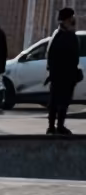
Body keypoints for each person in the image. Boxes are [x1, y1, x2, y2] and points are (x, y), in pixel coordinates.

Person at [47, 7, 81, 136]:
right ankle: (52, 126)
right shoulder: (61, 36)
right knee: (56, 101)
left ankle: (59, 125)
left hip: (67, 75)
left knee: (64, 101)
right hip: (60, 75)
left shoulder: (67, 34)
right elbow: (53, 57)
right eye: (71, 17)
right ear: (66, 20)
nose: (73, 20)